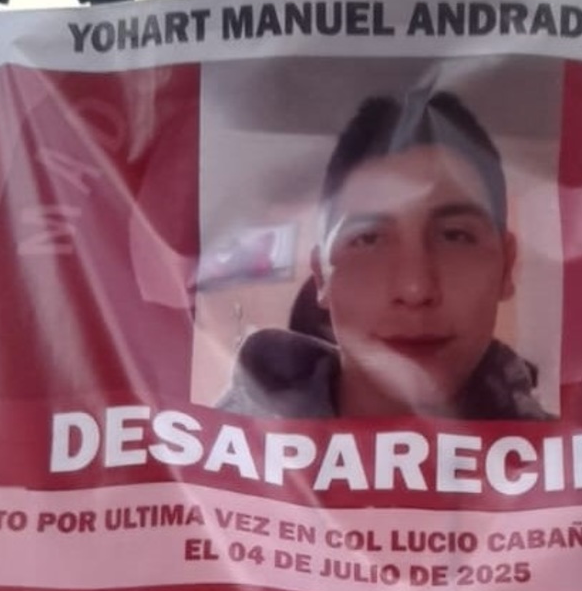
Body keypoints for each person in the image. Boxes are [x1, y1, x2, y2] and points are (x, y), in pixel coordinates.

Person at [218, 88, 552, 420]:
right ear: (321, 277)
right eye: (369, 239)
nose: (415, 289)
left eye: (454, 236)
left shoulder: (563, 451)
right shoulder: (213, 445)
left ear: (506, 266)